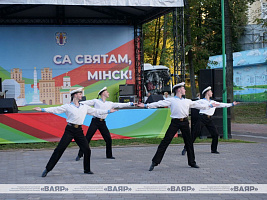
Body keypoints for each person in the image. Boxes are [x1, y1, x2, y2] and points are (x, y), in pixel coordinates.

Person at [33, 88, 117, 177]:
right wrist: (42, 109)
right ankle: (47, 169)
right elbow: (56, 109)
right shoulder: (68, 106)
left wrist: (108, 111)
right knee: (59, 149)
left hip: (79, 131)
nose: (81, 95)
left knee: (87, 149)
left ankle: (87, 169)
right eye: (80, 94)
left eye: (81, 94)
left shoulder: (84, 106)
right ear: (75, 95)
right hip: (69, 130)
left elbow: (96, 111)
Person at [138, 82, 218, 171]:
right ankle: (155, 162)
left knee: (189, 143)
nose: (184, 90)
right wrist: (146, 105)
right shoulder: (171, 100)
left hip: (185, 123)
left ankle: (192, 162)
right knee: (165, 141)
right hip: (175, 123)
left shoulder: (187, 101)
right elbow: (159, 103)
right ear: (179, 90)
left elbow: (199, 105)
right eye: (183, 88)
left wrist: (209, 105)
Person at [75, 87, 136, 161]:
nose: (108, 93)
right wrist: (75, 103)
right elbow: (84, 103)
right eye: (107, 92)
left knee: (108, 139)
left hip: (102, 122)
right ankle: (80, 154)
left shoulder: (109, 103)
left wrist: (130, 103)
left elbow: (119, 105)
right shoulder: (96, 101)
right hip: (95, 121)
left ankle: (109, 155)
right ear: (103, 93)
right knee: (87, 138)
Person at [181, 86, 239, 155]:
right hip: (202, 118)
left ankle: (213, 150)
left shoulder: (213, 102)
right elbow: (192, 104)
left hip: (209, 119)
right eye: (211, 91)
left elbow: (222, 104)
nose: (212, 93)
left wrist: (232, 104)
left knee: (215, 134)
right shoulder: (201, 101)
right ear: (207, 92)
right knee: (194, 134)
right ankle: (186, 148)